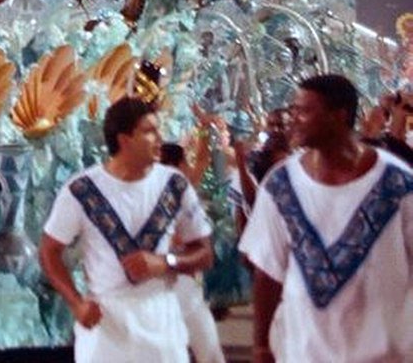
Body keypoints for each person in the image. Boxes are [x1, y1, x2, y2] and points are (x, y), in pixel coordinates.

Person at [238, 74, 413, 363]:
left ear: (339, 116)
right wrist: (261, 346)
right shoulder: (281, 184)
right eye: (293, 110)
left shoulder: (398, 184)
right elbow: (268, 271)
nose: (293, 119)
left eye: (304, 111)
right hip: (304, 353)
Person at [39, 97, 214, 363]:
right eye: (149, 131)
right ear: (124, 140)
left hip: (162, 325)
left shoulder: (174, 185)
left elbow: (204, 253)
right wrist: (76, 302)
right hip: (106, 332)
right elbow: (49, 251)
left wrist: (166, 262)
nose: (159, 138)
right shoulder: (82, 190)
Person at [159, 141, 225, 363]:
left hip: (177, 283)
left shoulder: (180, 189)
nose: (189, 166)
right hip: (179, 285)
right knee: (208, 351)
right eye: (185, 162)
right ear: (178, 164)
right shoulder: (173, 191)